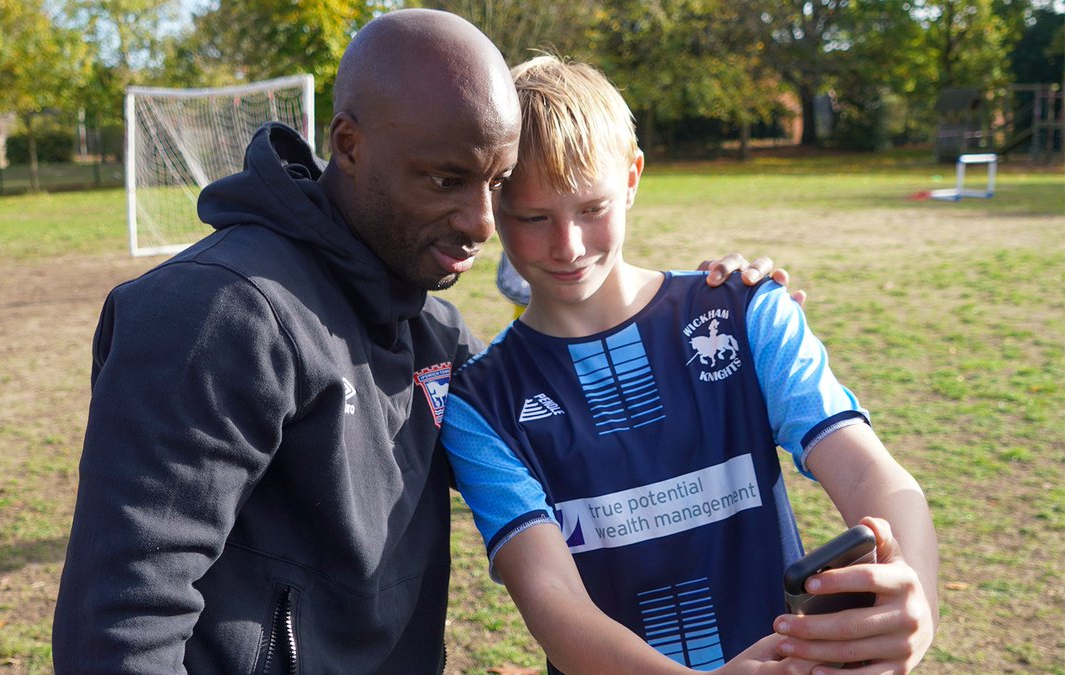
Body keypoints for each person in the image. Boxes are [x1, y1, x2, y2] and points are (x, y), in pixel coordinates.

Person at [52, 10, 790, 672]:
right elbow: (123, 622)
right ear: (349, 144)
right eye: (445, 180)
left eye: (494, 183)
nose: (480, 223)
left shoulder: (434, 333)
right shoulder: (217, 312)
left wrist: (716, 305)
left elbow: (582, 441)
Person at [440, 55, 939, 674]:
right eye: (533, 218)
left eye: (591, 208)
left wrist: (915, 597)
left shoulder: (746, 311)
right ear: (494, 208)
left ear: (632, 177)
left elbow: (873, 474)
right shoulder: (478, 405)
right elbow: (551, 599)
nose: (567, 246)